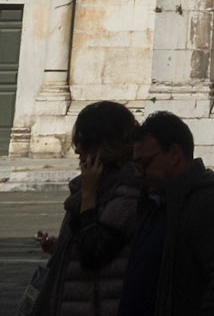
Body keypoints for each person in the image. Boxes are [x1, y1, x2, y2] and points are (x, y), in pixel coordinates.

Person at [120, 110, 214, 316]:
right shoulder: (155, 202)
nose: (137, 173)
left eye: (143, 164)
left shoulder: (211, 203)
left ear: (175, 155)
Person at [32, 101, 142, 314]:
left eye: (84, 142)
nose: (78, 151)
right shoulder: (96, 185)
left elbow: (94, 252)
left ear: (104, 145)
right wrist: (62, 247)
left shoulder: (127, 190)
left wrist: (88, 196)